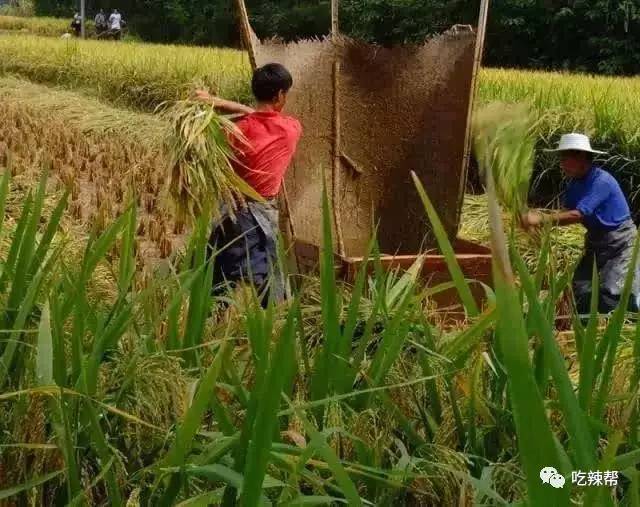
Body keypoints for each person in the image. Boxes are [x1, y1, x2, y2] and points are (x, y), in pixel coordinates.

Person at [195, 63, 302, 306]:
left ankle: (216, 317)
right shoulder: (291, 129)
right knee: (260, 274)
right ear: (280, 95)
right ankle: (262, 325)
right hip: (259, 214)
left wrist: (214, 101)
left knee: (223, 267)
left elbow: (251, 115)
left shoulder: (235, 132)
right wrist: (221, 102)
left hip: (231, 211)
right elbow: (257, 114)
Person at [521, 133, 640, 315]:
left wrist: (541, 219)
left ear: (582, 157)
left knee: (614, 295)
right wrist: (538, 217)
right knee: (581, 289)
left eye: (565, 159)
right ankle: (579, 326)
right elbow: (565, 213)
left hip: (621, 244)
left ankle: (613, 326)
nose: (562, 164)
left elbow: (577, 215)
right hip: (596, 242)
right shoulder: (575, 184)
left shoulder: (601, 181)